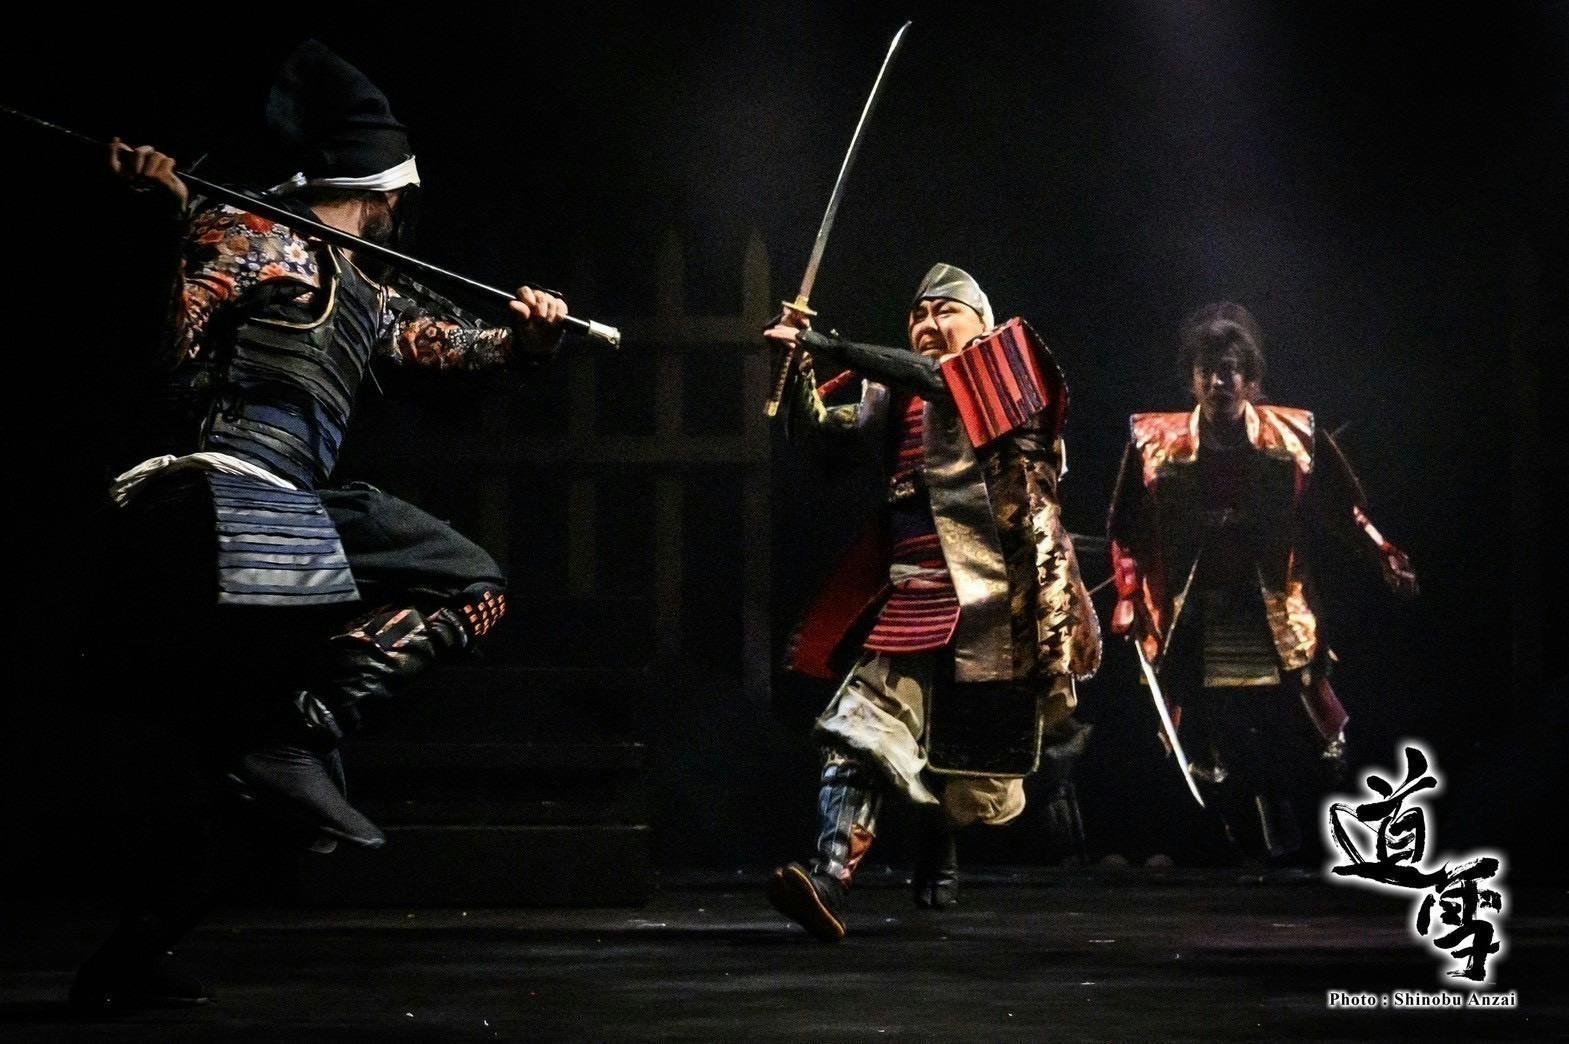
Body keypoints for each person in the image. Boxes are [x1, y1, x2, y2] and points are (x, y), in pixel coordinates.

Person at [71, 40, 568, 1012]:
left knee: (289, 800)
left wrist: (524, 338)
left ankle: (130, 955)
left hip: (283, 512)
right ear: (385, 188)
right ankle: (301, 721)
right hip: (224, 496)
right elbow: (164, 353)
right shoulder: (248, 234)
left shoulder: (366, 286)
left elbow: (444, 345)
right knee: (465, 578)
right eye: (403, 193)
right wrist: (164, 220)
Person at [762, 264, 1101, 941]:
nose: (926, 323)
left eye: (945, 310)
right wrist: (797, 365)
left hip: (996, 607)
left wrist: (835, 347)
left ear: (982, 321)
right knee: (857, 730)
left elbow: (944, 382)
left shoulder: (1012, 367)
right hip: (915, 594)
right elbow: (824, 438)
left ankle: (939, 840)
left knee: (968, 763)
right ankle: (829, 876)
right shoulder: (893, 393)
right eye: (917, 313)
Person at [1106, 302, 1418, 862]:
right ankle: (1227, 837)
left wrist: (1382, 551)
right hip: (1192, 605)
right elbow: (1126, 529)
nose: (1218, 382)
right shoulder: (1154, 440)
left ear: (1250, 379)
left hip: (1272, 598)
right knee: (1205, 723)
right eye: (1207, 370)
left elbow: (1343, 511)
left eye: (1229, 370)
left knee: (1292, 717)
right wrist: (1127, 595)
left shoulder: (1292, 434)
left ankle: (1286, 818)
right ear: (1192, 378)